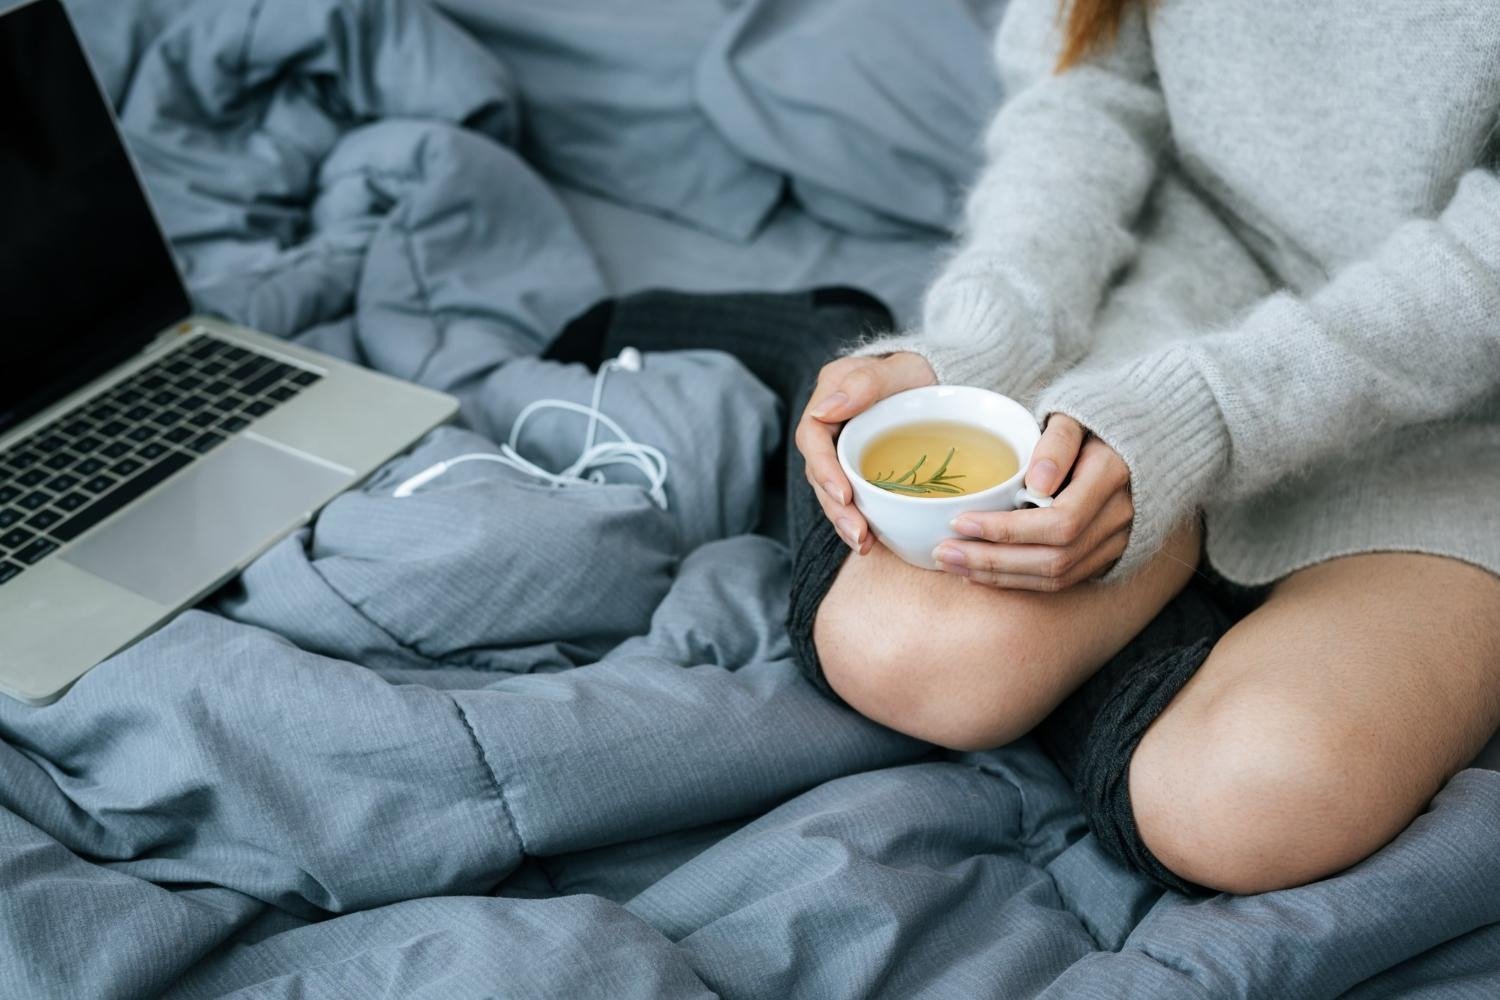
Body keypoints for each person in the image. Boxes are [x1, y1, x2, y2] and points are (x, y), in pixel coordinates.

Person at [791, 0, 1500, 895]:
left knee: (1250, 805)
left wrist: (1207, 414)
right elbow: (1083, 93)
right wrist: (982, 342)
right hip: (1175, 305)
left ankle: (1157, 629)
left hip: (1468, 416)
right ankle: (1162, 615)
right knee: (900, 654)